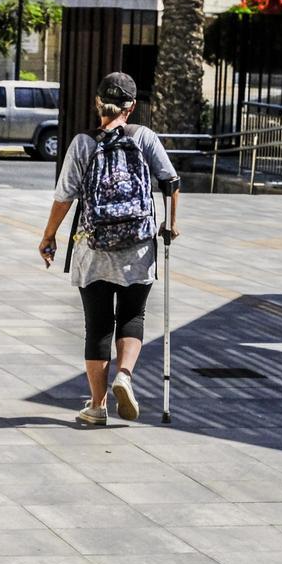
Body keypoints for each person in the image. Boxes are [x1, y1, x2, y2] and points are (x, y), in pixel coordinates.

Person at [37, 72, 181, 425]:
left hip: (93, 248)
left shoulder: (83, 144)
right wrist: (171, 224)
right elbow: (172, 182)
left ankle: (97, 407)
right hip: (138, 248)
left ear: (97, 103)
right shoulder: (145, 137)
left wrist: (49, 236)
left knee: (98, 326)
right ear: (132, 106)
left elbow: (64, 197)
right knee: (133, 317)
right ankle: (125, 376)